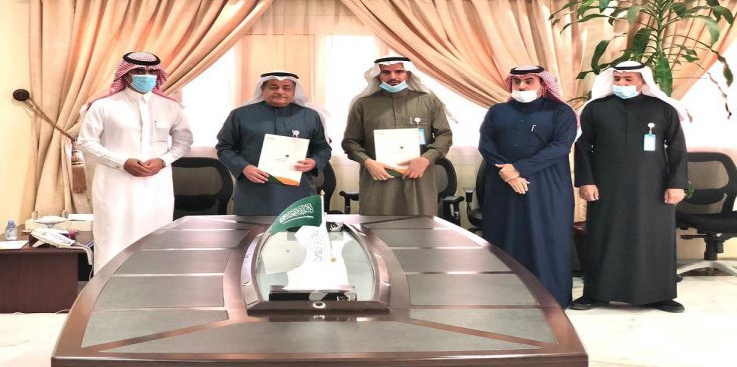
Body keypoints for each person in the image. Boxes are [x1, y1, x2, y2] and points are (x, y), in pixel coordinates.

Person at [572, 60, 688, 313]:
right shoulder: (596, 109)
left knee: (653, 238)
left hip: (652, 188)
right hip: (606, 187)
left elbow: (677, 148)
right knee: (604, 237)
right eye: (617, 79)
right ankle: (596, 293)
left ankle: (659, 295)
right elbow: (582, 147)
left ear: (642, 81)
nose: (621, 83)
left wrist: (677, 184)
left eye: (628, 79)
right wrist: (586, 180)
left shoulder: (662, 109)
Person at [78, 51, 193, 272]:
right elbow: (86, 142)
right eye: (140, 71)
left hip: (156, 186)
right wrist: (121, 162)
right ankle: (107, 290)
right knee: (113, 238)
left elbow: (184, 141)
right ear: (126, 74)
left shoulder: (170, 107)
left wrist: (163, 160)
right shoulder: (103, 106)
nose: (146, 76)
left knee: (155, 237)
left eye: (152, 71)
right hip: (115, 185)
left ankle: (153, 287)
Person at [478, 65, 578, 308]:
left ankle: (552, 299)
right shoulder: (497, 111)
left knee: (548, 239)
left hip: (547, 186)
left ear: (543, 84)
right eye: (517, 82)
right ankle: (506, 299)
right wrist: (508, 173)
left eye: (528, 81)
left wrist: (519, 169)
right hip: (503, 185)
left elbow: (560, 146)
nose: (521, 86)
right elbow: (486, 144)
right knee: (505, 238)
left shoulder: (560, 111)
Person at [342, 56, 452, 215]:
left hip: (418, 180)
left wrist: (426, 159)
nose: (393, 76)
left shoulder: (428, 102)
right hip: (378, 182)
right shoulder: (363, 105)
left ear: (408, 73)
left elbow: (445, 136)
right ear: (378, 75)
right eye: (386, 72)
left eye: (399, 71)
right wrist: (368, 162)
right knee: (377, 227)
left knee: (420, 226)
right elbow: (350, 142)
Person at [216, 71, 332, 215]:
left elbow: (323, 149)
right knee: (252, 230)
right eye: (274, 87)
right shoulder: (240, 115)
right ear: (262, 89)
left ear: (294, 91)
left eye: (286, 88)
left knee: (297, 229)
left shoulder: (310, 116)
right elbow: (224, 147)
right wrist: (244, 167)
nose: (280, 92)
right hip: (254, 193)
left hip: (298, 193)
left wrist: (314, 162)